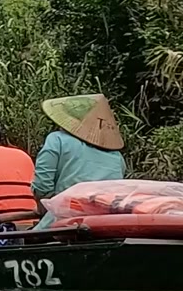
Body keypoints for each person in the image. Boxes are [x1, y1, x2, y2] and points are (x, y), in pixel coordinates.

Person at [33, 94, 127, 228]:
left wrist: (46, 208)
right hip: (107, 222)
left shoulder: (57, 140)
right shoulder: (117, 156)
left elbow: (42, 187)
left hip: (66, 218)